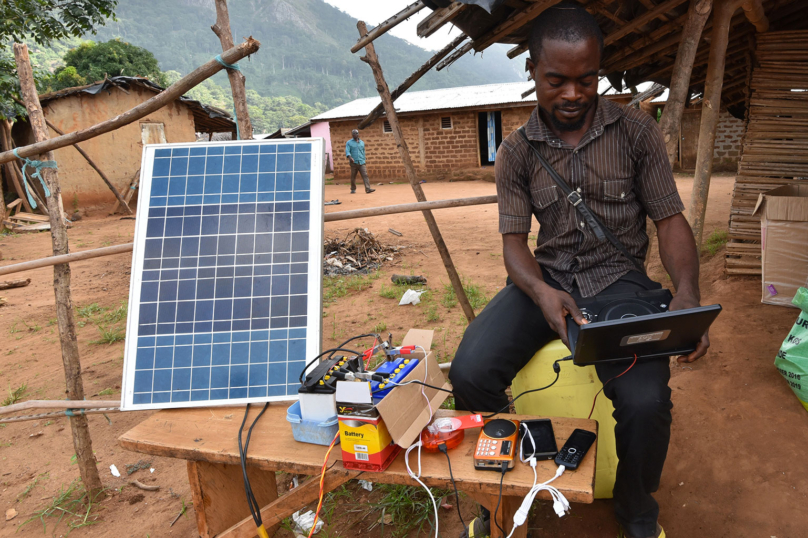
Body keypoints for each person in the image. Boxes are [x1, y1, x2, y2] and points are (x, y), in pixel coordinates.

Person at [450, 4, 708, 538]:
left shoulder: (637, 131)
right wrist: (542, 292)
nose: (572, 94)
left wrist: (687, 293)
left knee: (645, 401)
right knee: (470, 372)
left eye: (586, 79)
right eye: (557, 80)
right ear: (533, 72)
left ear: (599, 71)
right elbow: (514, 247)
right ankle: (501, 492)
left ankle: (637, 509)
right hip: (546, 280)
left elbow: (669, 220)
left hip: (621, 281)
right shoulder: (517, 152)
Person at [345, 129, 375, 194]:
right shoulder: (349, 142)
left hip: (361, 162)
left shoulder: (362, 142)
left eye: (355, 133)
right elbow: (347, 151)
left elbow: (363, 152)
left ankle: (368, 189)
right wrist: (350, 157)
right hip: (353, 162)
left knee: (365, 175)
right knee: (353, 176)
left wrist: (364, 159)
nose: (354, 134)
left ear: (358, 134)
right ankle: (353, 189)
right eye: (353, 133)